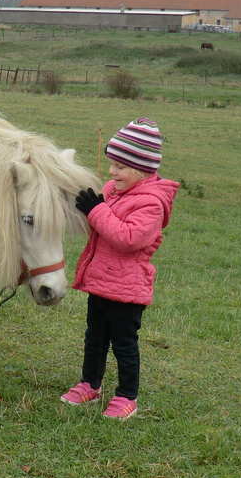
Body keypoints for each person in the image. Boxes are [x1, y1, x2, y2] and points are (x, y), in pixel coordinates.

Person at [61, 118, 179, 420]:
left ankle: (127, 396)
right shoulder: (115, 190)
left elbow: (128, 238)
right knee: (94, 338)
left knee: (124, 345)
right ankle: (90, 383)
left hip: (128, 291)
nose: (112, 173)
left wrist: (96, 210)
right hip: (101, 283)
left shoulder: (152, 203)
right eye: (112, 165)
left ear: (143, 169)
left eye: (121, 167)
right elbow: (100, 224)